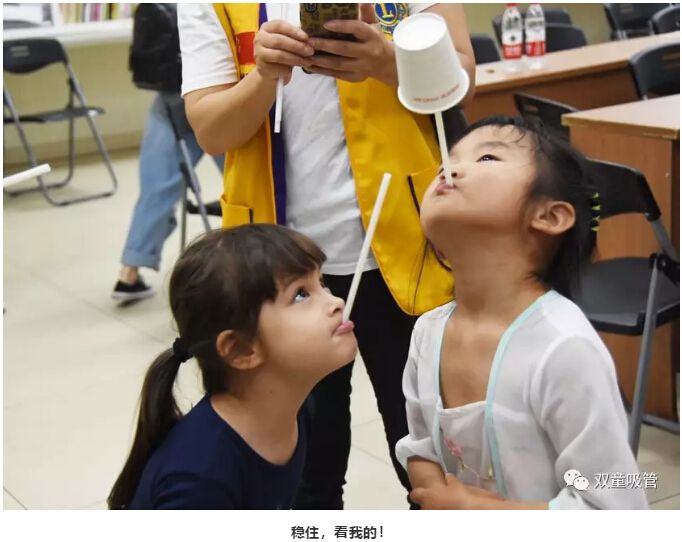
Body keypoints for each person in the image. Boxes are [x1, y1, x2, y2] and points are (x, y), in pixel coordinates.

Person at [178, 2, 475, 510]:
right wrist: (263, 78)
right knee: (305, 474)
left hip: (408, 248)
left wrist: (386, 60)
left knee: (434, 467)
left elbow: (461, 78)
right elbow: (211, 131)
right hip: (279, 274)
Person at [395, 116, 648, 510]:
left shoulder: (564, 348)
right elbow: (421, 448)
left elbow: (615, 508)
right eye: (447, 161)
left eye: (488, 157)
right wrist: (437, 496)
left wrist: (478, 512)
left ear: (550, 216)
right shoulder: (428, 333)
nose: (450, 169)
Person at [108, 224, 358, 509]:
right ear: (240, 349)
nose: (336, 302)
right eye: (300, 294)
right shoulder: (199, 480)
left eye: (322, 284)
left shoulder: (297, 411)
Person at [112, 92, 225, 301]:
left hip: (173, 93)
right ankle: (270, 260)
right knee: (250, 184)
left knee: (157, 188)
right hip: (224, 92)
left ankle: (129, 272)